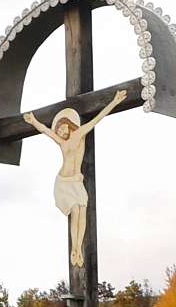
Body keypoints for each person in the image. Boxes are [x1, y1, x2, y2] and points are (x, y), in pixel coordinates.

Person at [23, 89, 128, 267]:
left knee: (82, 213)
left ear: (68, 124)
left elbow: (97, 119)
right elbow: (45, 131)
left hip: (76, 182)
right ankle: (75, 249)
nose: (60, 132)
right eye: (59, 130)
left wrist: (115, 101)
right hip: (64, 181)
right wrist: (33, 121)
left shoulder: (80, 133)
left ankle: (78, 248)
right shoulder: (61, 141)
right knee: (75, 213)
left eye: (62, 128)